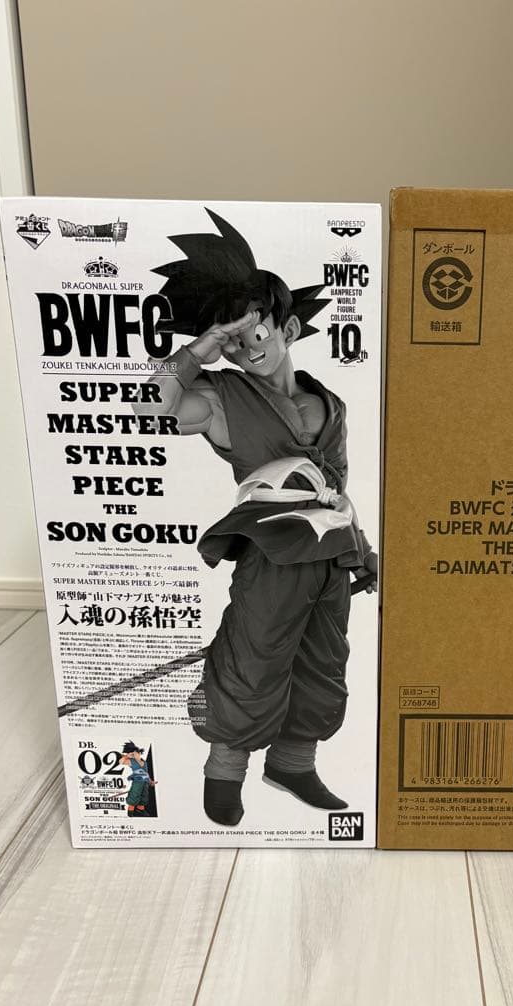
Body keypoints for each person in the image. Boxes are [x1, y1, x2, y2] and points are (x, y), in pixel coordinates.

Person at [134, 209, 377, 827]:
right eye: (234, 343)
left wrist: (364, 550)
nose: (248, 350)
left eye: (256, 333)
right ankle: (224, 771)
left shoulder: (330, 402)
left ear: (287, 327)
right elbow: (150, 410)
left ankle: (293, 764)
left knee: (323, 662)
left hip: (330, 557)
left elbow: (337, 489)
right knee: (253, 657)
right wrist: (201, 348)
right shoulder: (221, 397)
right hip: (271, 557)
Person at [120, 741, 156, 816]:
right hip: (137, 782)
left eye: (136, 753)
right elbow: (121, 762)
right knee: (134, 796)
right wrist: (127, 756)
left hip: (145, 782)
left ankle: (140, 810)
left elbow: (146, 773)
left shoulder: (144, 762)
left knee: (144, 797)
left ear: (139, 752)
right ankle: (130, 813)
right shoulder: (131, 761)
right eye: (133, 754)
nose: (135, 755)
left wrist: (150, 781)